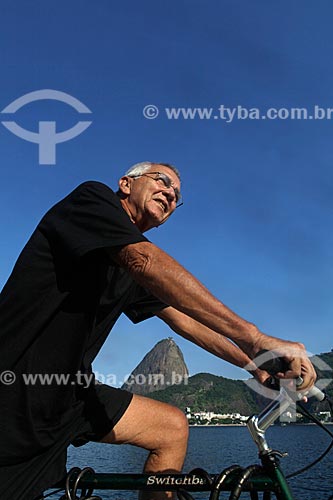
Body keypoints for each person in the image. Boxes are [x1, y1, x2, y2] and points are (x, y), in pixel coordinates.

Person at [0, 161, 316, 500]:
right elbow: (146, 261)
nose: (170, 193)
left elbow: (185, 320)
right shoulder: (90, 200)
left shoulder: (129, 269)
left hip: (67, 394)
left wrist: (256, 364)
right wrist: (254, 337)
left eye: (177, 196)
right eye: (162, 181)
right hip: (14, 391)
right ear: (125, 183)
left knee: (171, 428)